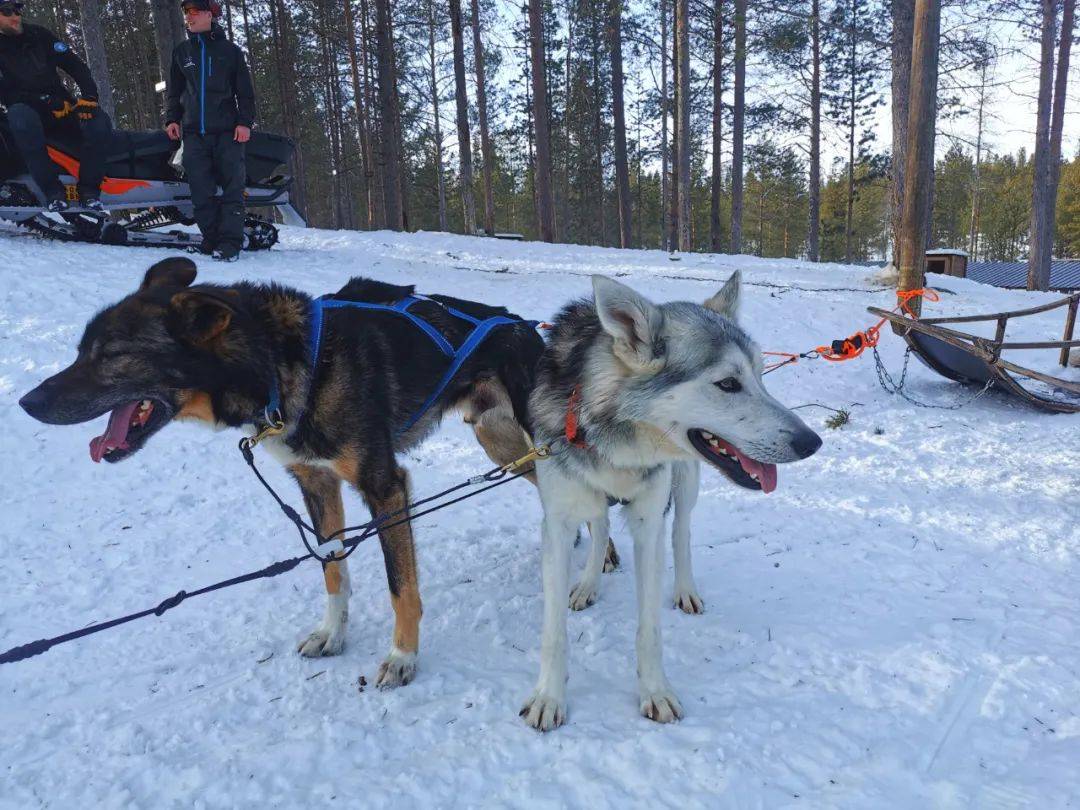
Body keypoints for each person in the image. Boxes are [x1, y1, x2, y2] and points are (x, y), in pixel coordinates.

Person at [164, 0, 255, 262]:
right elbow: (175, 92)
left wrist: (244, 123)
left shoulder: (230, 51)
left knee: (232, 189)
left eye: (193, 12)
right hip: (193, 134)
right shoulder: (182, 52)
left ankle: (230, 243)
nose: (188, 17)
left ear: (208, 15)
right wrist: (172, 119)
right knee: (200, 191)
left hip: (227, 133)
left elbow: (245, 94)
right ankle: (211, 239)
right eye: (185, 12)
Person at [0, 1, 111, 212]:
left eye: (17, 10)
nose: (15, 16)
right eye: (7, 12)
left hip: (62, 105)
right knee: (20, 118)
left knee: (99, 123)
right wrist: (43, 101)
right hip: (26, 108)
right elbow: (6, 94)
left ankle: (89, 191)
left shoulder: (39, 35)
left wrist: (89, 96)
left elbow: (74, 65)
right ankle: (52, 191)